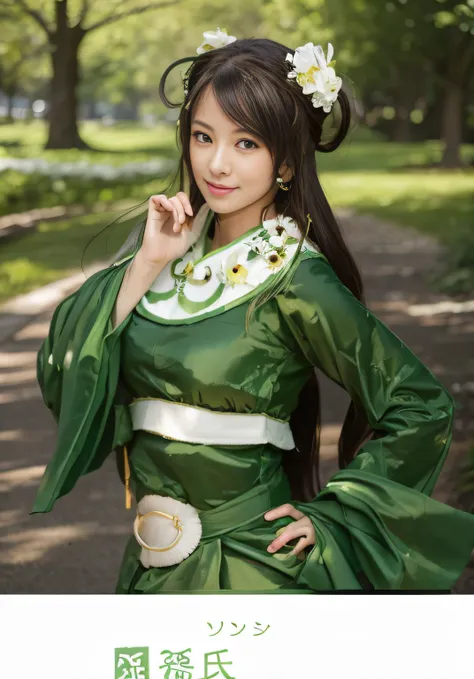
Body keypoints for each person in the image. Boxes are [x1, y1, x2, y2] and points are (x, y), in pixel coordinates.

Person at [33, 30, 474, 593]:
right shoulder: (168, 251)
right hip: (149, 564)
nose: (216, 164)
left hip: (248, 566)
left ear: (286, 161)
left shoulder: (296, 276)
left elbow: (420, 404)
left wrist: (335, 515)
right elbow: (64, 369)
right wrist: (145, 264)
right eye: (202, 136)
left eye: (246, 144)